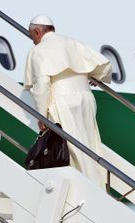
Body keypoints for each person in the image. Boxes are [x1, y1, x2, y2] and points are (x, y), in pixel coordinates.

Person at [24, 15, 112, 188]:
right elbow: (105, 65)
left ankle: (85, 190)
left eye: (32, 37)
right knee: (90, 146)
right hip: (86, 99)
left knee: (74, 153)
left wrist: (41, 116)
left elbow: (42, 85)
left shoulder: (38, 50)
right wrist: (97, 77)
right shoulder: (72, 42)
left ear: (37, 31)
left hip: (63, 102)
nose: (33, 41)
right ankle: (99, 187)